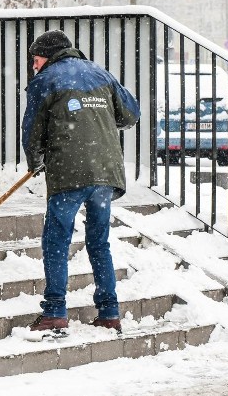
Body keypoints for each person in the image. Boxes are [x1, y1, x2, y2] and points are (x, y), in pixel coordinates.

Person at [21, 30, 140, 334]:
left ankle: (54, 312)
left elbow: (32, 130)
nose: (35, 66)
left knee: (56, 241)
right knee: (99, 242)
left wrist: (36, 162)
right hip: (105, 174)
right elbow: (130, 114)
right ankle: (110, 311)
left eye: (36, 60)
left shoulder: (46, 80)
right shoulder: (101, 73)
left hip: (69, 173)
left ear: (46, 57)